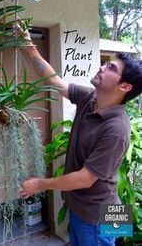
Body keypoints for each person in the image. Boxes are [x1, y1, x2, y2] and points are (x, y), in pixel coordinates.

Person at [18, 23, 142, 246]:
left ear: (125, 87)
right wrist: (28, 45)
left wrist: (39, 184)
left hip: (96, 214)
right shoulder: (90, 98)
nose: (103, 67)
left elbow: (85, 179)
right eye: (106, 64)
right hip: (99, 206)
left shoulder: (117, 130)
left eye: (112, 68)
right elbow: (54, 80)